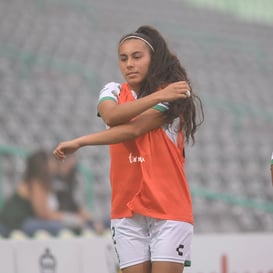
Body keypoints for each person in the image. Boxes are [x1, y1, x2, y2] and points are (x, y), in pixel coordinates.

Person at [53, 25, 204, 273]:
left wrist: (81, 142)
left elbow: (134, 130)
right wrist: (157, 96)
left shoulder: (174, 94)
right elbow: (111, 116)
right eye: (123, 58)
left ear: (152, 59)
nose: (129, 64)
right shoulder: (111, 90)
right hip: (126, 211)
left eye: (137, 57)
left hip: (169, 209)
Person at [0, 150, 89, 237]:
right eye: (50, 162)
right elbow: (43, 214)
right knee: (56, 227)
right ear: (44, 165)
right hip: (14, 223)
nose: (54, 165)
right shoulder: (36, 183)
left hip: (20, 222)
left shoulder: (38, 182)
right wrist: (70, 218)